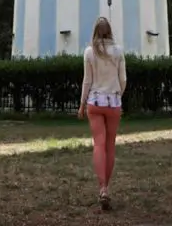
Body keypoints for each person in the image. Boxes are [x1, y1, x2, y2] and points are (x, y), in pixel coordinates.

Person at [77, 16, 126, 210]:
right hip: (113, 102)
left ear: (95, 31)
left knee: (98, 143)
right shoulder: (119, 51)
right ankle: (107, 186)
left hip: (94, 102)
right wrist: (117, 96)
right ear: (110, 30)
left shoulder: (89, 52)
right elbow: (123, 79)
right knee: (110, 145)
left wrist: (82, 104)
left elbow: (86, 81)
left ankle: (102, 188)